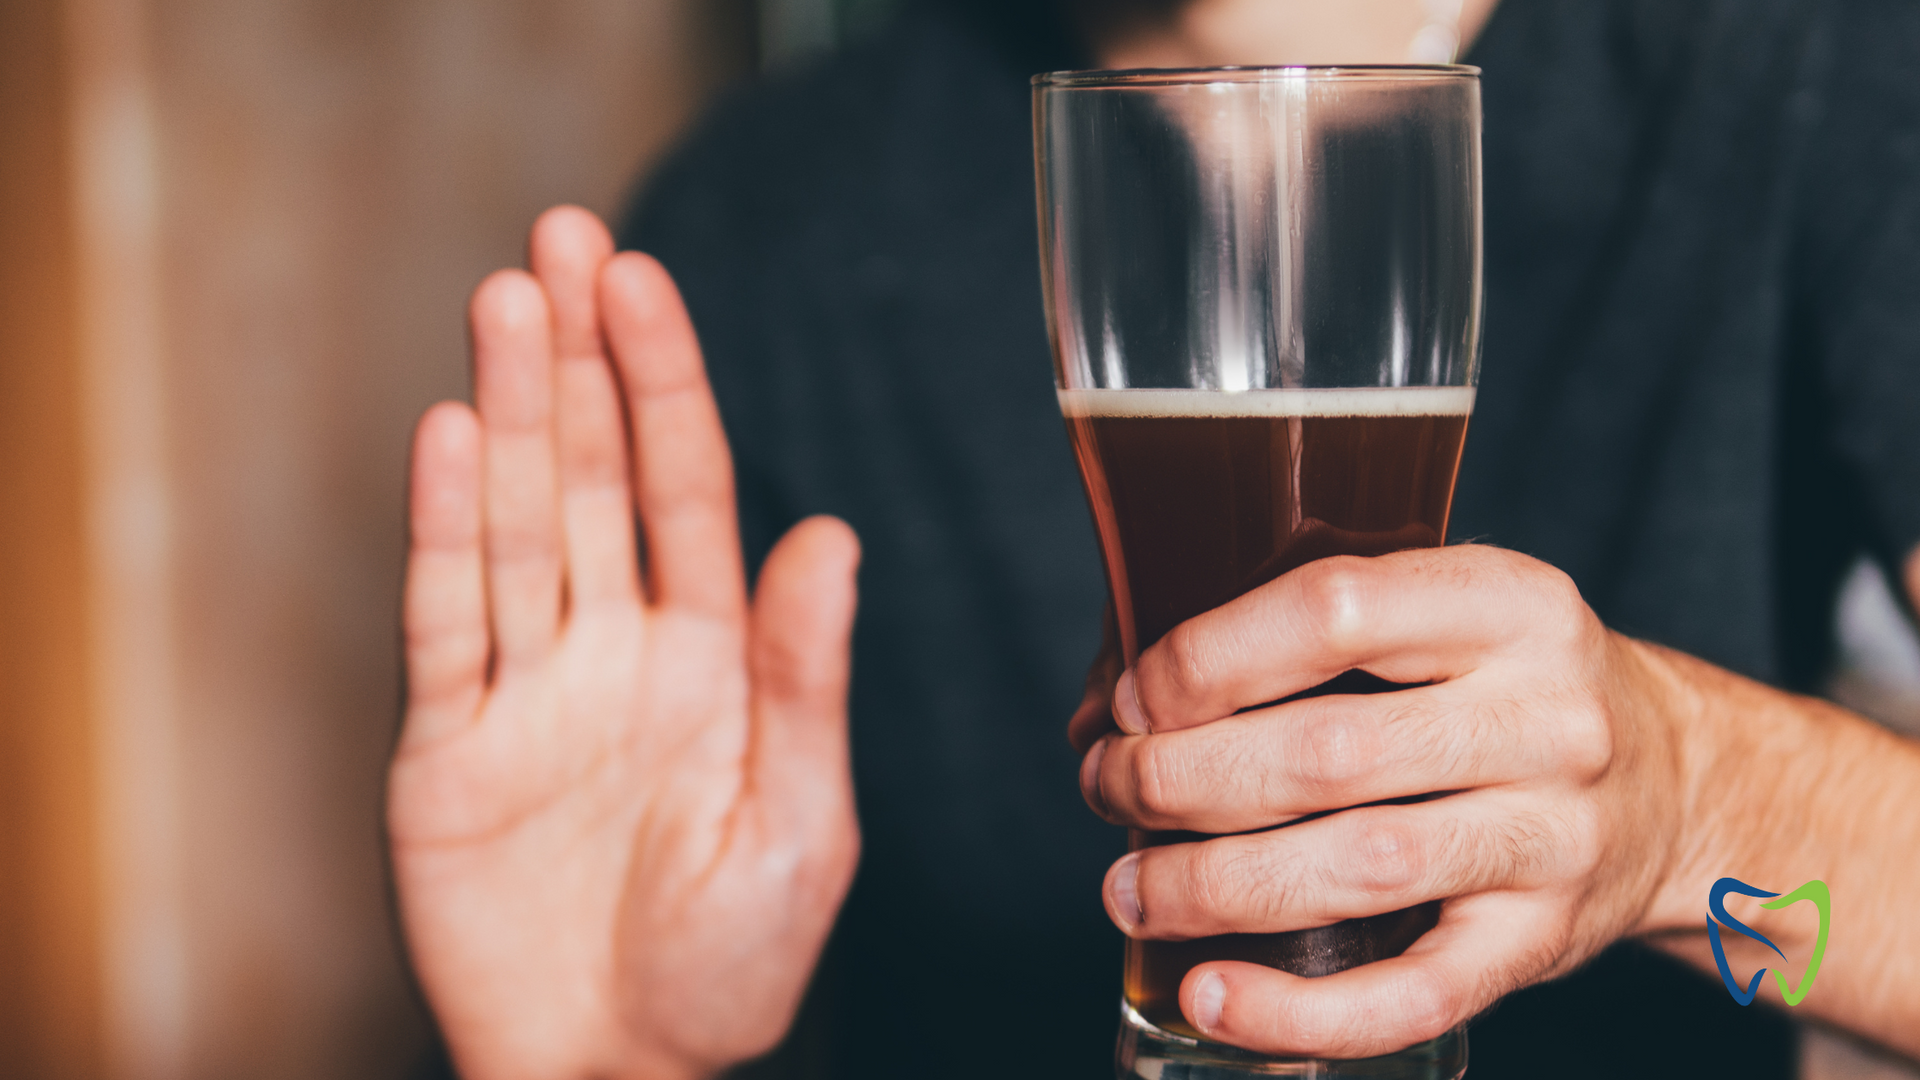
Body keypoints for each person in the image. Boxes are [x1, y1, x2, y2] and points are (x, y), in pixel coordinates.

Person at [387, 1, 1920, 1077]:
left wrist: (1704, 821)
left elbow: (1856, 943)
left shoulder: (1804, 73)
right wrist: (603, 1065)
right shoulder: (765, 220)